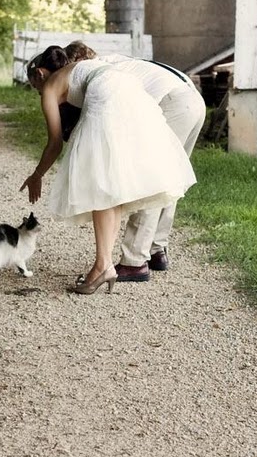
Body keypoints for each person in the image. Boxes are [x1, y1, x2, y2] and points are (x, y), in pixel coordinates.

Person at [22, 46, 197, 294]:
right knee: (112, 179)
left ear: (40, 73)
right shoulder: (81, 68)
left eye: (34, 87)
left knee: (100, 181)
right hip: (133, 91)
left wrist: (36, 175)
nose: (38, 92)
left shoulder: (50, 87)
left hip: (108, 94)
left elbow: (54, 143)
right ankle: (109, 264)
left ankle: (104, 266)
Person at [62, 41, 206, 280]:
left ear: (76, 62)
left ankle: (134, 261)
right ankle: (157, 249)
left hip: (171, 102)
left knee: (151, 179)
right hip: (192, 98)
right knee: (171, 177)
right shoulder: (116, 61)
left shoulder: (96, 73)